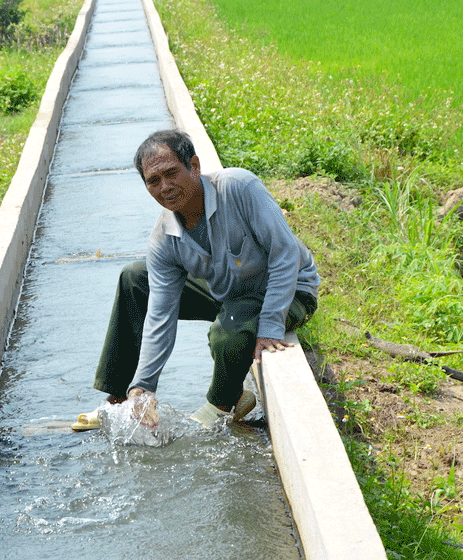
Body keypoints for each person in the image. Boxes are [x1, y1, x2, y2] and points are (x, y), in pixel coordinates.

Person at [72, 129, 319, 430]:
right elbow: (160, 313)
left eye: (171, 173)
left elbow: (285, 253)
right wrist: (144, 386)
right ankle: (124, 400)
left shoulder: (238, 188)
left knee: (229, 332)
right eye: (153, 181)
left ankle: (224, 402)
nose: (165, 187)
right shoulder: (164, 238)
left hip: (288, 289)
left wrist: (270, 325)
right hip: (227, 290)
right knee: (136, 279)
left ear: (195, 166)